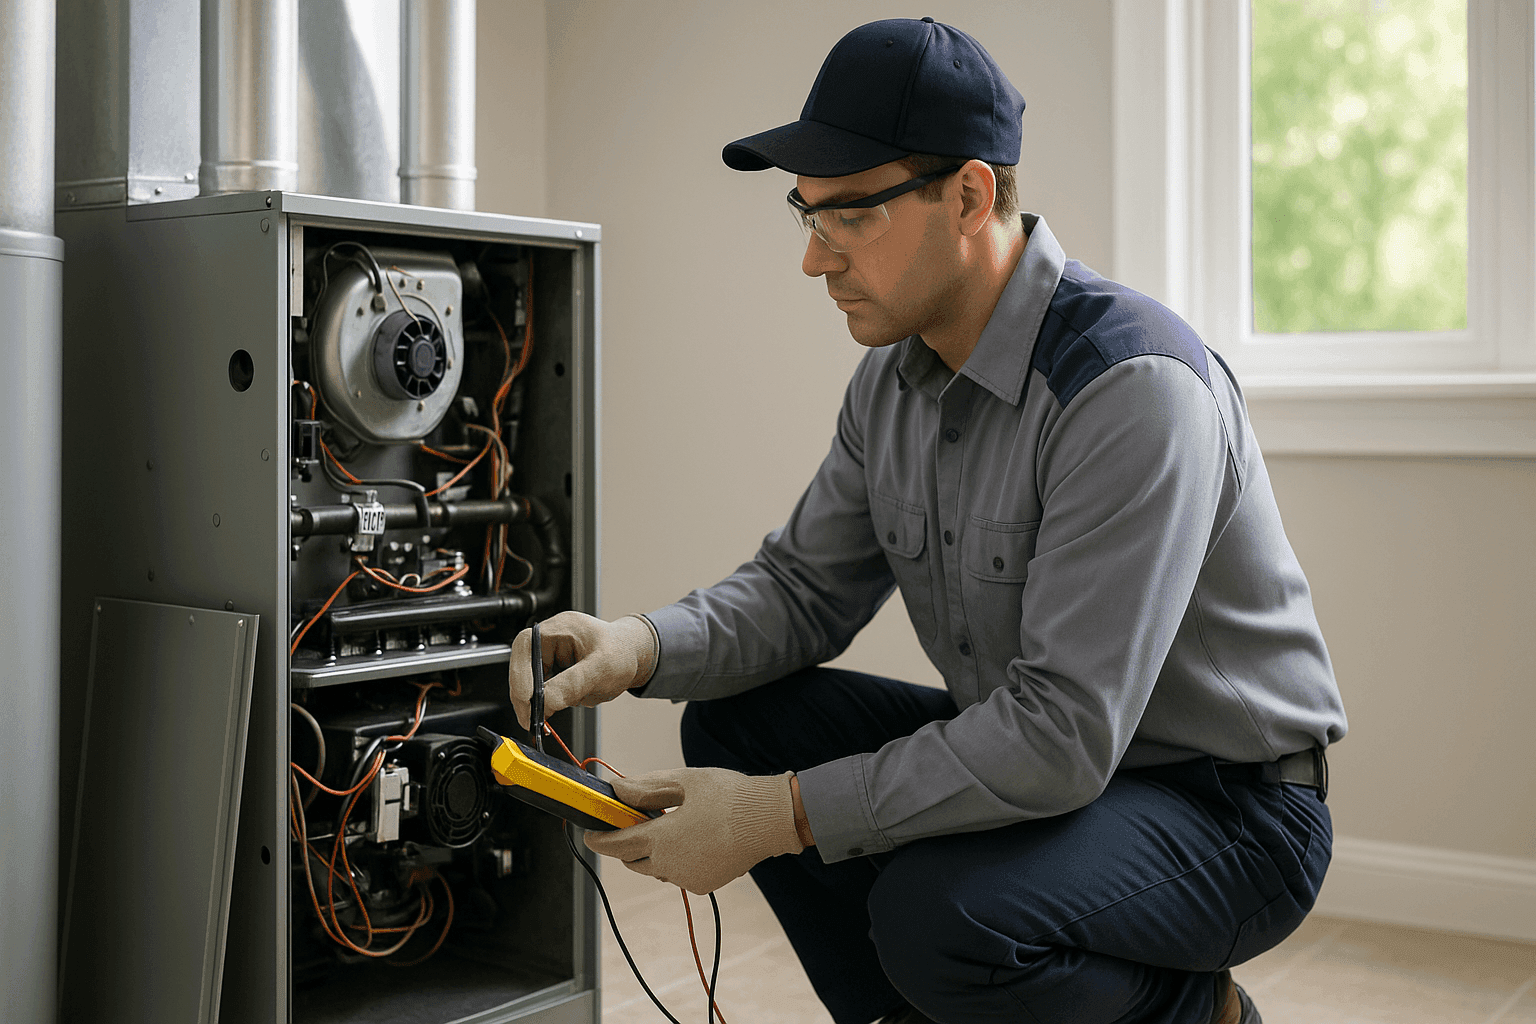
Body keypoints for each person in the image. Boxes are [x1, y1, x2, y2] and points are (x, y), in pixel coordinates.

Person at [508, 16, 1346, 1024]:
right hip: (1058, 767)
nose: (814, 260)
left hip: (1229, 811)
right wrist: (636, 645)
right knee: (739, 723)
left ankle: (1199, 1015)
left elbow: (1061, 734)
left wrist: (778, 816)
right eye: (806, 214)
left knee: (936, 914)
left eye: (851, 215)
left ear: (971, 196)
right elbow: (803, 591)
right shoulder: (892, 384)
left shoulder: (1130, 390)